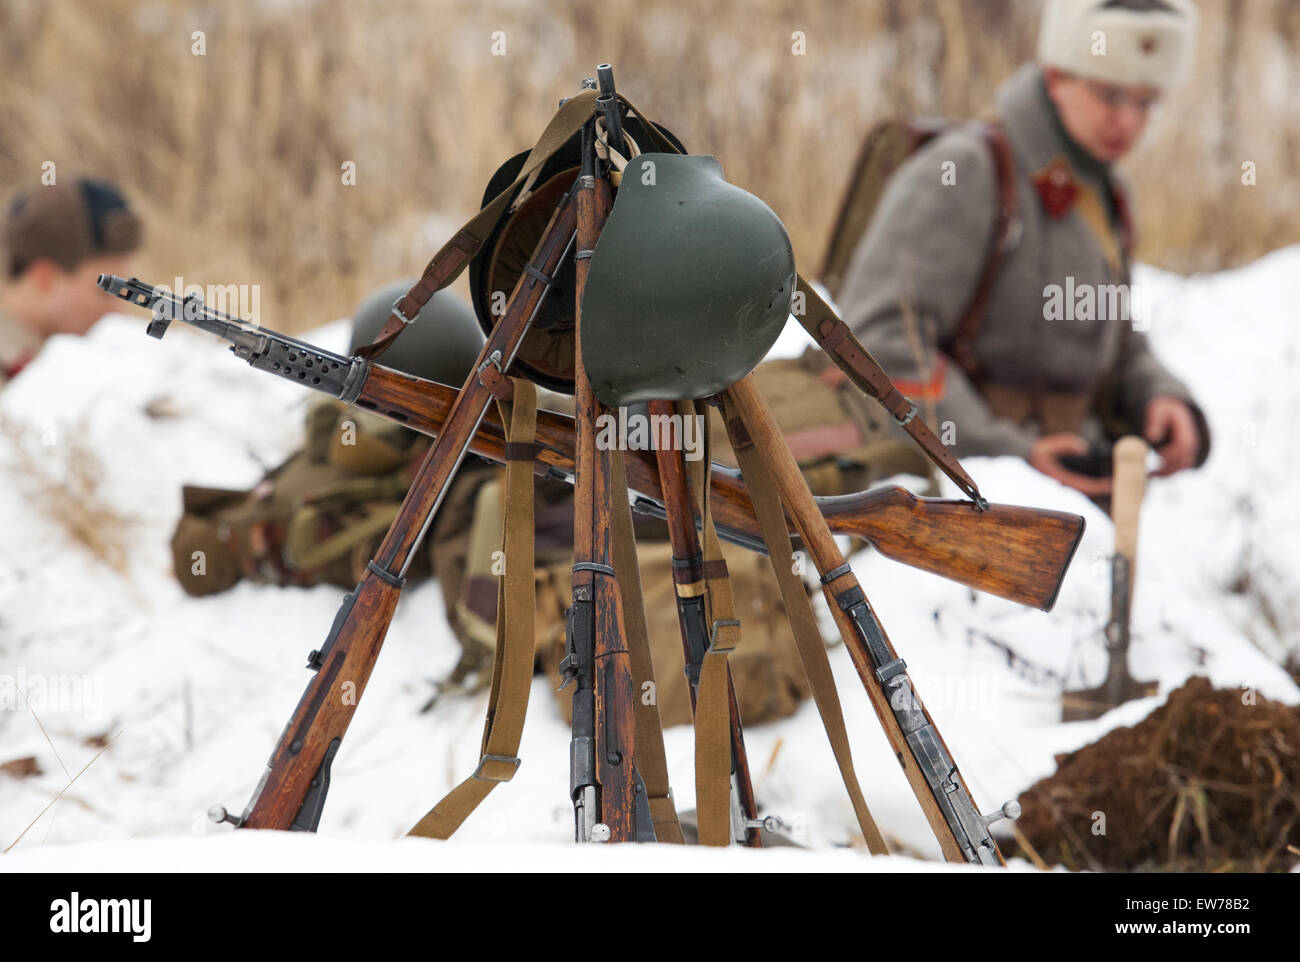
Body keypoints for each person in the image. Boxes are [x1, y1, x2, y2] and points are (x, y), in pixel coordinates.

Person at [840, 0, 1209, 499]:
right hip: (961, 491)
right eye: (1109, 94)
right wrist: (1007, 450)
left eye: (1146, 102)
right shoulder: (967, 171)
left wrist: (1159, 395)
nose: (1127, 121)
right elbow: (879, 341)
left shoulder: (1106, 192)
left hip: (1071, 483)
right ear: (1057, 78)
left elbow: (1111, 337)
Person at [1, 178, 142, 386]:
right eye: (105, 292)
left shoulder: (63, 365)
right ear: (44, 278)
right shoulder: (20, 376)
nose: (118, 311)